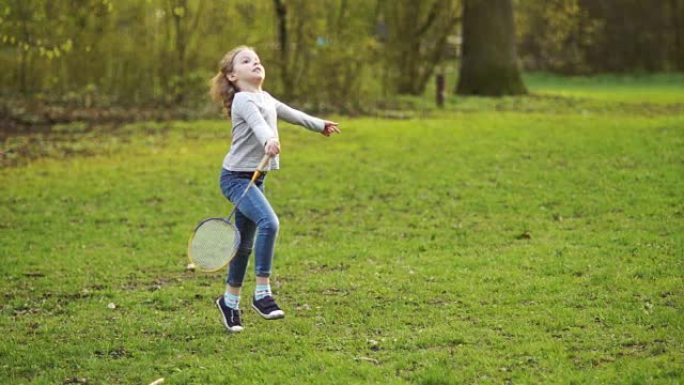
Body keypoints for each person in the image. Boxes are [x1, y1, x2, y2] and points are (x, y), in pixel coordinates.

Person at [209, 46, 340, 333]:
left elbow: (291, 114)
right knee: (270, 223)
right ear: (232, 75)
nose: (255, 62)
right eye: (246, 61)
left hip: (256, 179)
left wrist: (320, 125)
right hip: (235, 178)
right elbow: (259, 125)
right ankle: (262, 294)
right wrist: (269, 140)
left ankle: (229, 302)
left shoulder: (264, 97)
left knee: (244, 244)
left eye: (256, 59)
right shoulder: (243, 100)